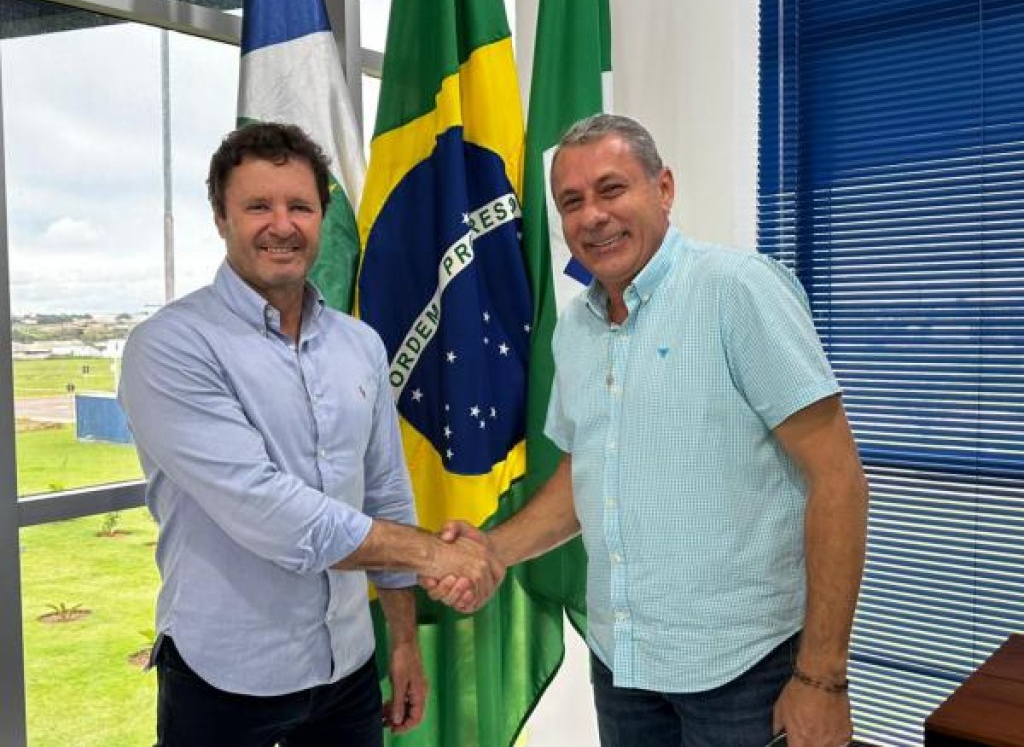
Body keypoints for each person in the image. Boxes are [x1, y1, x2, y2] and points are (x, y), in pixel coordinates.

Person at [425, 114, 869, 747]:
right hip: (624, 667)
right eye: (571, 202)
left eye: (611, 189)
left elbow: (838, 478)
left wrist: (823, 677)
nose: (592, 216)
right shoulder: (575, 329)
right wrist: (494, 550)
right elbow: (585, 471)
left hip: (745, 672)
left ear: (663, 189)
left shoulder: (738, 290)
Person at [119, 122, 503, 747]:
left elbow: (385, 492)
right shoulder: (170, 347)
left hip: (347, 669)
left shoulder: (361, 345)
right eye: (258, 207)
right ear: (221, 218)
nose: (282, 225)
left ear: (322, 216)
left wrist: (403, 641)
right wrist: (437, 555)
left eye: (300, 206)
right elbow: (272, 514)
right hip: (225, 680)